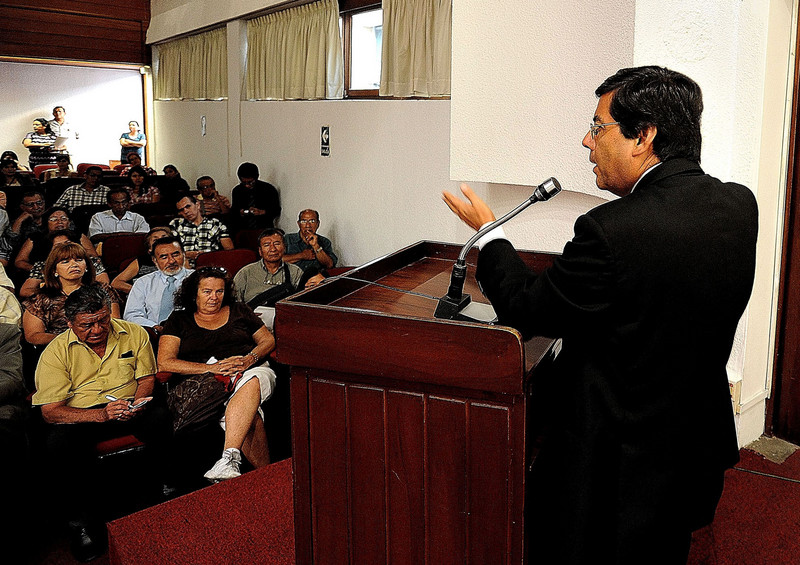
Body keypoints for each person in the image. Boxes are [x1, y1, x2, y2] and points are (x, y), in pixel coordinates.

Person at [442, 66, 759, 565]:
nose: (586, 142)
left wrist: (490, 233)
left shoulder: (612, 230)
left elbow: (529, 307)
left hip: (616, 467)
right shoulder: (740, 205)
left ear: (644, 135)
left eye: (598, 127)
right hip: (693, 447)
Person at [32, 284, 171, 561]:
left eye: (102, 320)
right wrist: (101, 415)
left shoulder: (134, 333)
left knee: (162, 417)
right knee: (58, 444)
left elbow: (145, 379)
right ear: (70, 324)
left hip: (129, 405)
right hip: (84, 414)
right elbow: (50, 411)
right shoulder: (55, 352)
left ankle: (164, 491)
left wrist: (137, 403)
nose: (97, 330)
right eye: (87, 325)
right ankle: (81, 523)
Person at [157, 267, 276, 481]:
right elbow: (165, 362)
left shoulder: (239, 310)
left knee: (255, 379)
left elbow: (268, 340)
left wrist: (249, 359)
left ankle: (229, 459)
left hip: (251, 370)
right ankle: (265, 479)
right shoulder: (179, 319)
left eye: (219, 291)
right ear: (194, 293)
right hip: (208, 382)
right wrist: (211, 368)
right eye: (207, 291)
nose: (214, 297)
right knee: (250, 416)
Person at [22, 240, 120, 344]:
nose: (74, 265)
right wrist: (73, 340)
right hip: (60, 348)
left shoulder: (104, 290)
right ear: (54, 270)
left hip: (103, 343)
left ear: (86, 266)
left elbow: (115, 323)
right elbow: (33, 336)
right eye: (65, 262)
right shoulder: (40, 299)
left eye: (79, 260)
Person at [124, 235, 193, 333]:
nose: (171, 261)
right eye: (164, 257)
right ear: (154, 260)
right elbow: (132, 315)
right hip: (154, 334)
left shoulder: (198, 279)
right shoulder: (143, 283)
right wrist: (154, 327)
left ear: (184, 254)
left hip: (191, 333)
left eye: (175, 255)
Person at [14, 207, 98, 274]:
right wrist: (41, 270)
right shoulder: (36, 237)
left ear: (69, 222)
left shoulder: (78, 235)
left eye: (63, 218)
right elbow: (19, 261)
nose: (59, 222)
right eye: (54, 219)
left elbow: (93, 257)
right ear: (46, 222)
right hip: (41, 275)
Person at [233, 228, 303, 307]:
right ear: (260, 251)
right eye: (267, 245)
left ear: (284, 248)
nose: (273, 249)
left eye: (277, 244)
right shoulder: (245, 273)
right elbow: (234, 304)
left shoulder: (295, 271)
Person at [170, 194, 233, 267]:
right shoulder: (176, 224)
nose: (186, 211)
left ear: (197, 205)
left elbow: (229, 249)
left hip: (210, 263)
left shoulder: (215, 223)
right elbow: (169, 249)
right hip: (184, 265)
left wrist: (206, 256)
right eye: (181, 210)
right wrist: (186, 254)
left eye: (188, 206)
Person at [111, 226, 171, 294]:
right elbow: (116, 283)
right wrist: (140, 292)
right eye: (155, 240)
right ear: (150, 249)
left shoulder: (179, 259)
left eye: (164, 238)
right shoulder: (141, 261)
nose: (161, 241)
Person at [231, 162, 280, 230]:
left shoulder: (268, 189)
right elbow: (233, 211)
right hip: (243, 229)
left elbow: (276, 210)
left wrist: (262, 212)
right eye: (244, 182)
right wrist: (241, 212)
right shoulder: (237, 190)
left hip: (263, 227)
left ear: (256, 178)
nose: (247, 185)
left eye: (250, 182)